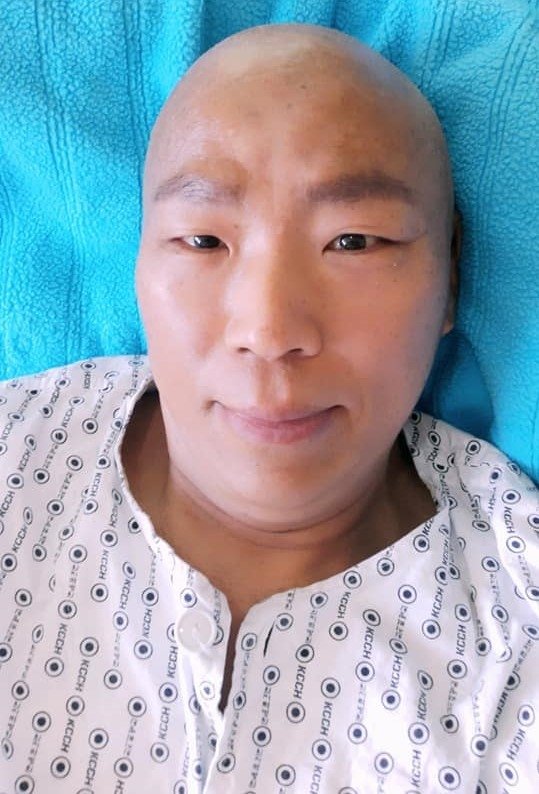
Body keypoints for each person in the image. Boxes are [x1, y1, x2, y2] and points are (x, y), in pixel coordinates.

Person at [0, 22, 537, 794]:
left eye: (353, 241)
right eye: (202, 241)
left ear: (449, 282)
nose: (270, 331)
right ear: (139, 265)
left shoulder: (518, 610)